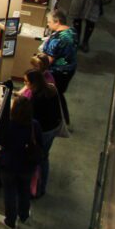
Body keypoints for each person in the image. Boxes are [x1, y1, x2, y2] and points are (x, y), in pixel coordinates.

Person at [0, 97, 42, 229]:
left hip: (9, 165)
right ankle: (24, 216)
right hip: (27, 166)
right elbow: (40, 143)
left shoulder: (7, 125)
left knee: (9, 193)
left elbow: (0, 143)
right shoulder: (34, 125)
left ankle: (10, 220)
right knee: (24, 190)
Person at [24, 69, 64, 198]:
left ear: (33, 83)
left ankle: (35, 189)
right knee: (44, 157)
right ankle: (41, 188)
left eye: (26, 81)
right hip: (53, 128)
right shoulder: (51, 89)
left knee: (36, 158)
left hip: (43, 131)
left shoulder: (36, 98)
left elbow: (32, 120)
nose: (25, 84)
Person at [40, 9, 78, 126]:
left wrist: (39, 67)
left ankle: (62, 121)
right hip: (70, 69)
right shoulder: (72, 31)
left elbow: (49, 59)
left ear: (57, 22)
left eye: (49, 21)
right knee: (59, 94)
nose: (48, 24)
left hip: (57, 72)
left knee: (56, 95)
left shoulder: (57, 39)